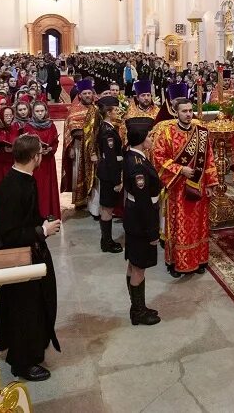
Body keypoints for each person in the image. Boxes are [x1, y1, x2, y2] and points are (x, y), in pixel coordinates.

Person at [0, 134, 61, 382]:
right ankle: (22, 362)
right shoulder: (13, 187)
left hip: (33, 251)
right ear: (35, 157)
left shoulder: (25, 180)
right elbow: (9, 233)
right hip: (19, 258)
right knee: (25, 309)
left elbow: (28, 216)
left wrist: (42, 222)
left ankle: (33, 348)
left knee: (38, 304)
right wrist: (42, 231)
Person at [151, 97, 219, 277]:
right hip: (177, 188)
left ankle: (199, 259)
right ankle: (176, 262)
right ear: (175, 112)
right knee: (178, 225)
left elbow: (210, 159)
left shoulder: (202, 132)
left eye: (190, 111)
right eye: (184, 111)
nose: (188, 114)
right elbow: (158, 159)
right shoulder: (166, 133)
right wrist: (180, 169)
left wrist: (211, 183)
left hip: (199, 186)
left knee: (199, 225)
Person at [122, 124, 162, 326]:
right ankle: (137, 312)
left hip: (133, 221)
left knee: (133, 264)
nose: (152, 140)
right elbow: (144, 202)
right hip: (141, 223)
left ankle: (138, 306)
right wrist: (153, 231)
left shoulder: (132, 156)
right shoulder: (138, 164)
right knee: (139, 267)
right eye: (150, 136)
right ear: (142, 140)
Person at [60, 80, 98, 209]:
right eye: (85, 93)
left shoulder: (97, 109)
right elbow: (69, 130)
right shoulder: (74, 109)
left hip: (95, 147)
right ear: (80, 95)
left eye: (89, 93)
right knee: (79, 173)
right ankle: (80, 200)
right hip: (79, 146)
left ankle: (94, 201)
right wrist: (70, 147)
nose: (88, 95)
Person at [95, 96, 125, 252]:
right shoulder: (107, 132)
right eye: (116, 109)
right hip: (109, 174)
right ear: (108, 111)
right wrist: (117, 180)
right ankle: (106, 242)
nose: (118, 112)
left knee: (106, 207)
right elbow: (112, 159)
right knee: (107, 208)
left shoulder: (107, 127)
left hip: (107, 172)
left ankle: (105, 240)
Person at [25, 101, 59, 220]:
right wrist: (37, 151)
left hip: (48, 160)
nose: (40, 114)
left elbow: (55, 141)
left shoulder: (51, 124)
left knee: (48, 187)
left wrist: (50, 149)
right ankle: (38, 214)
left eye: (42, 111)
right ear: (33, 112)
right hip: (35, 162)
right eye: (37, 111)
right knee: (38, 188)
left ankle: (49, 212)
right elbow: (26, 144)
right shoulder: (28, 126)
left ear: (46, 111)